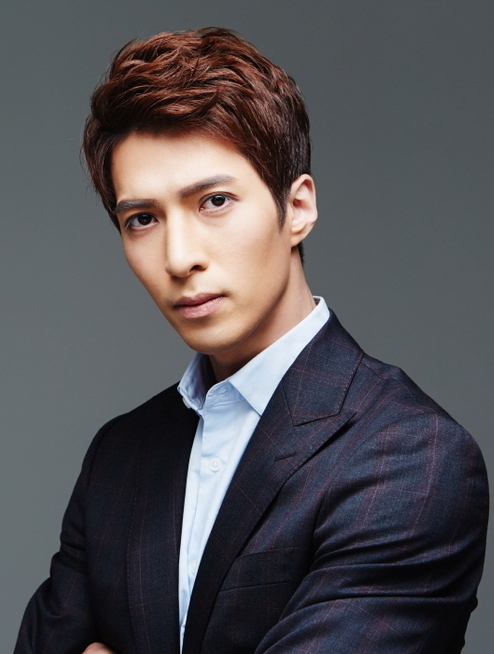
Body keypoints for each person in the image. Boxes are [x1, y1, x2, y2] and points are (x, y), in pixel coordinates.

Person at [15, 27, 488, 654]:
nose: (179, 257)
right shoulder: (119, 456)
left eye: (214, 201)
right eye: (142, 219)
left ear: (298, 208)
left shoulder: (412, 458)